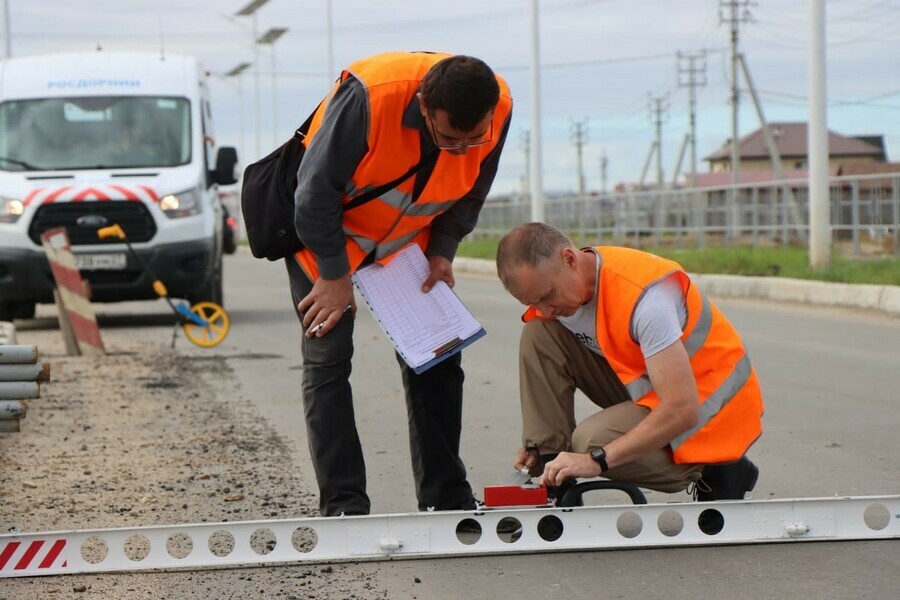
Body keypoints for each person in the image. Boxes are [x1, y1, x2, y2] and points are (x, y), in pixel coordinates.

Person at [286, 52, 513, 516]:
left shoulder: (500, 105)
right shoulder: (370, 99)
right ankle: (345, 507)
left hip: (410, 241)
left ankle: (446, 500)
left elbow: (473, 188)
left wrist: (443, 250)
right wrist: (333, 276)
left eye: (476, 137)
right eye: (450, 137)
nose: (464, 149)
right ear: (424, 106)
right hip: (329, 237)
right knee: (328, 361)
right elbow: (312, 196)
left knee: (439, 356)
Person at [495, 222, 764, 511]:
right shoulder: (562, 295)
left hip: (709, 411)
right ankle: (553, 480)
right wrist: (544, 448)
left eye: (547, 295)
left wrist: (594, 460)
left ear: (570, 259)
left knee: (590, 443)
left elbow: (681, 409)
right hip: (654, 390)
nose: (545, 309)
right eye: (533, 301)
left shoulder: (647, 300)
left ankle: (716, 467)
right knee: (539, 334)